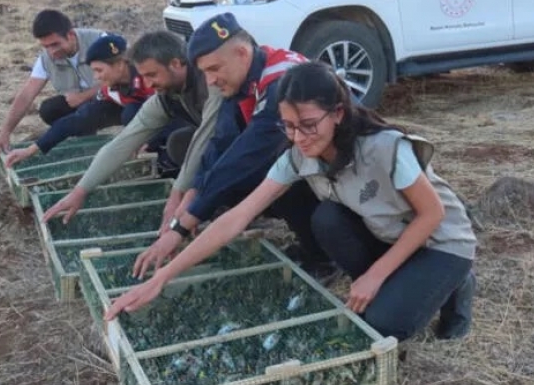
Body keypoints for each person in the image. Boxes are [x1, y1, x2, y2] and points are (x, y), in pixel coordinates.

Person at [105, 62, 478, 342]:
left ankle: (458, 280)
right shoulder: (298, 155)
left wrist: (374, 276)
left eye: (308, 124)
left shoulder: (382, 147)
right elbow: (236, 218)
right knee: (327, 219)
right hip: (390, 235)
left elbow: (432, 214)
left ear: (338, 113)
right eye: (288, 125)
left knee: (382, 325)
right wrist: (162, 278)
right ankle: (402, 278)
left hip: (439, 240)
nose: (298, 136)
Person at [126, 12, 338, 281]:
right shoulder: (247, 79)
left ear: (241, 52)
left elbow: (247, 155)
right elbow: (221, 141)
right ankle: (310, 245)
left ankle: (325, 257)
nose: (210, 81)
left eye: (214, 69)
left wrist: (185, 223)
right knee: (233, 181)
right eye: (204, 72)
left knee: (272, 175)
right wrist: (194, 191)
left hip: (345, 175)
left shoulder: (282, 81)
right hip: (315, 166)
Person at [41, 30, 221, 227]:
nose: (148, 84)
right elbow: (122, 143)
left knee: (192, 147)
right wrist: (80, 191)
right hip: (217, 142)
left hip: (245, 144)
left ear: (176, 64)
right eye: (143, 76)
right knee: (179, 144)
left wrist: (177, 194)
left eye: (152, 75)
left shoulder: (210, 82)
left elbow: (206, 136)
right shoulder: (165, 96)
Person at [4, 33, 161, 167]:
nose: (96, 77)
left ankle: (155, 155)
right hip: (141, 117)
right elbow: (75, 120)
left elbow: (174, 112)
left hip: (171, 125)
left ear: (120, 65)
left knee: (134, 113)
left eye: (99, 70)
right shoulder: (110, 89)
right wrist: (30, 150)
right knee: (90, 113)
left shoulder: (151, 79)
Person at [0, 9, 107, 160]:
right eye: (46, 46)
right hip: (82, 106)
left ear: (70, 35)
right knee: (49, 109)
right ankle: (84, 140)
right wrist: (5, 132)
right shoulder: (46, 59)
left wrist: (82, 97)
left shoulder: (100, 41)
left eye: (55, 44)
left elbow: (125, 78)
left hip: (109, 101)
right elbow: (26, 95)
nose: (52, 52)